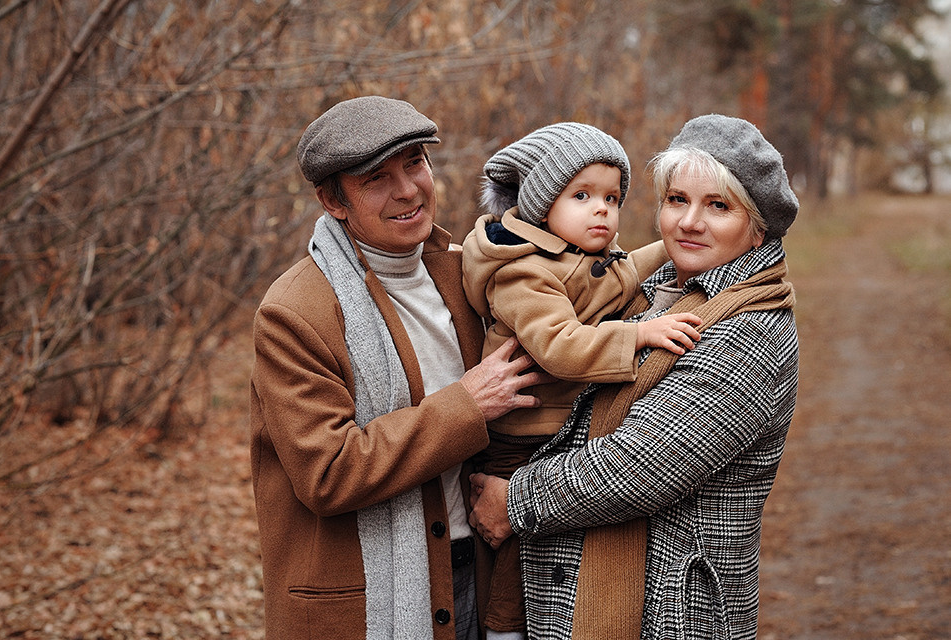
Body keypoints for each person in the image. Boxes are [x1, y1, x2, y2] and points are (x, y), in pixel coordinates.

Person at [468, 113, 800, 640]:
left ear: (758, 227)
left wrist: (515, 500)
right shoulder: (660, 290)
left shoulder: (749, 330)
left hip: (670, 612)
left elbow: (643, 467)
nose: (689, 222)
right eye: (676, 200)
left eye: (718, 205)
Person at [250, 96, 549, 640]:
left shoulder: (469, 275)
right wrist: (466, 405)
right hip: (369, 602)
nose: (408, 189)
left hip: (481, 575)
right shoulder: (295, 312)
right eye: (376, 179)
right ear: (332, 200)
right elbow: (329, 473)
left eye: (415, 162)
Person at [460, 122, 702, 639]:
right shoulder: (521, 271)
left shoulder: (574, 257)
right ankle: (504, 632)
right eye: (582, 195)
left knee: (551, 549)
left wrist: (673, 244)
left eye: (613, 197)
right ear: (542, 204)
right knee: (510, 560)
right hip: (520, 436)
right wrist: (638, 334)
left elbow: (623, 275)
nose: (602, 210)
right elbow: (560, 346)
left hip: (556, 430)